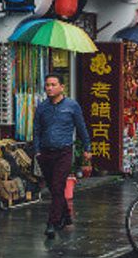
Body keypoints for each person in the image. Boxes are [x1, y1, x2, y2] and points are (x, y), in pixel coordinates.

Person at [33, 73, 91, 239]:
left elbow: (81, 127)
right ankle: (66, 217)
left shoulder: (72, 106)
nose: (49, 88)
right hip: (45, 152)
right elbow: (36, 130)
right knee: (53, 188)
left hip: (64, 151)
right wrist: (37, 150)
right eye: (47, 85)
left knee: (58, 187)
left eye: (53, 85)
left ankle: (52, 223)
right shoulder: (42, 107)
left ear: (62, 87)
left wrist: (87, 147)